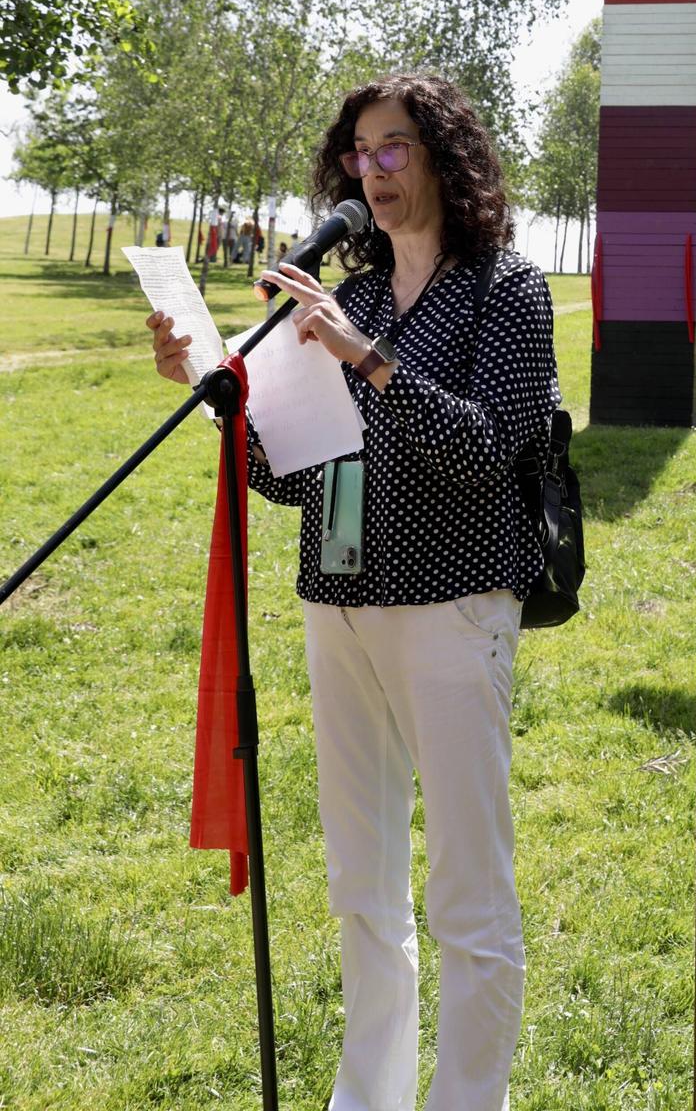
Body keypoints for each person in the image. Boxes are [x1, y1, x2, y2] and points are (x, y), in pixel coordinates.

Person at [147, 74, 558, 1111]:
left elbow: (480, 448)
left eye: (393, 148)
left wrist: (364, 357)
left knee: (469, 887)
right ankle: (366, 1098)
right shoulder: (354, 296)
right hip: (337, 601)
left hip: (455, 604)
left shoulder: (503, 288)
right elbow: (292, 470)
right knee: (362, 886)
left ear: (442, 157)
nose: (371, 171)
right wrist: (210, 390)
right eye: (359, 153)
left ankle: (467, 1100)